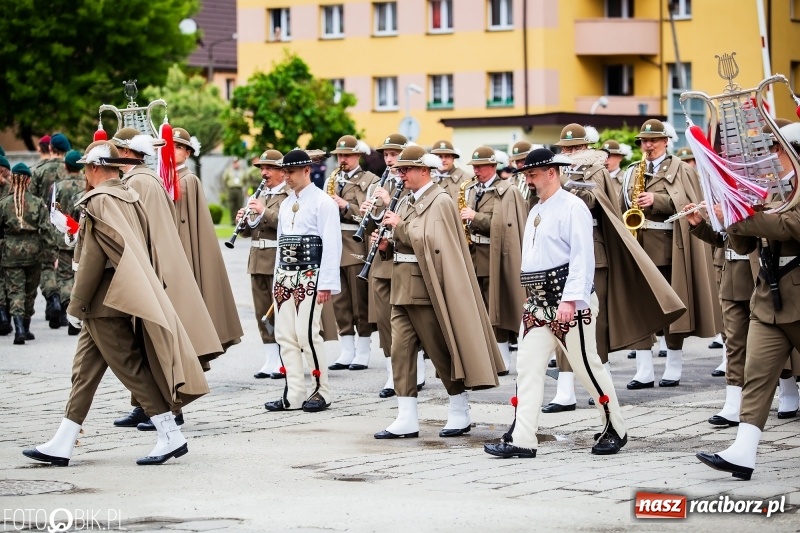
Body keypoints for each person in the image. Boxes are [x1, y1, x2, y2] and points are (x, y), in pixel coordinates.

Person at [22, 141, 207, 467]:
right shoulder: (127, 195)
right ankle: (63, 441)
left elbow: (94, 260)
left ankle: (170, 433)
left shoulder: (99, 200)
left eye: (86, 168)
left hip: (103, 303)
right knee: (84, 373)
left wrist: (76, 305)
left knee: (130, 369)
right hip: (115, 297)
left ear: (95, 168)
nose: (85, 173)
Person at [484, 148, 627, 458]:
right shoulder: (536, 209)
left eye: (533, 174)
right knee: (527, 367)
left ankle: (615, 427)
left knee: (586, 367)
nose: (529, 180)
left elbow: (582, 257)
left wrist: (570, 300)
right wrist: (530, 293)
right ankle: (522, 438)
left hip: (568, 302)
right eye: (526, 175)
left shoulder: (573, 207)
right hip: (537, 304)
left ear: (552, 173)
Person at [374, 145, 504, 439]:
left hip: (426, 288)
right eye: (399, 170)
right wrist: (385, 246)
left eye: (406, 169)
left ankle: (459, 409)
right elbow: (406, 241)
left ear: (424, 170)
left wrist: (399, 227)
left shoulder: (440, 200)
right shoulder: (406, 200)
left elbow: (432, 241)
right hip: (402, 286)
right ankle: (406, 416)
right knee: (400, 352)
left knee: (440, 351)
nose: (401, 174)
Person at [696, 120, 800, 480]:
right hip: (769, 298)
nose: (768, 157)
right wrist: (723, 216)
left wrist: (742, 216)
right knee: (757, 375)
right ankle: (743, 451)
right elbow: (743, 244)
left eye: (774, 150)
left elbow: (790, 227)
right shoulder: (770, 189)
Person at [109, 127, 222, 430]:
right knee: (144, 342)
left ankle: (172, 408)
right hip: (155, 267)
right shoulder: (145, 178)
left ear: (125, 152)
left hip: (153, 269)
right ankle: (145, 405)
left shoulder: (138, 181)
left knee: (159, 343)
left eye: (116, 149)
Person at [621, 119, 720, 389]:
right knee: (641, 309)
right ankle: (644, 369)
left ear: (666, 141)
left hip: (668, 250)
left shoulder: (681, 169)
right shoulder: (632, 171)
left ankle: (673, 365)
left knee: (672, 309)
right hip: (639, 249)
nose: (648, 145)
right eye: (644, 141)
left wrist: (658, 200)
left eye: (653, 140)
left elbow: (692, 205)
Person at [264, 149, 342, 412]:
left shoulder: (323, 202)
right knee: (284, 335)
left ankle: (321, 391)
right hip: (285, 275)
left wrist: (326, 283)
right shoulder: (286, 204)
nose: (286, 176)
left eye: (291, 172)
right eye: (284, 172)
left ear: (307, 170)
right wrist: (277, 281)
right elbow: (281, 244)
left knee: (307, 334)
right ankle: (294, 393)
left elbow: (331, 244)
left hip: (311, 274)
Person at [361, 134, 427, 397]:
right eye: (386, 155)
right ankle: (392, 373)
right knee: (385, 320)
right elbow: (371, 225)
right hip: (380, 260)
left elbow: (415, 220)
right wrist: (367, 213)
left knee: (410, 320)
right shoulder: (378, 185)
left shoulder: (413, 186)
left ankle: (417, 370)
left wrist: (389, 202)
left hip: (404, 259)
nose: (389, 160)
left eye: (394, 155)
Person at [172, 127, 243, 353]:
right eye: (169, 146)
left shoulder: (188, 180)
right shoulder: (162, 177)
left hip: (184, 249)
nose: (173, 150)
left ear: (188, 153)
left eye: (178, 147)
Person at [462, 146, 527, 374]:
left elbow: (505, 226)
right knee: (479, 308)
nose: (476, 171)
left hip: (494, 256)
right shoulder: (473, 190)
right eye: (474, 167)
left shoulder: (507, 190)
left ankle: (502, 358)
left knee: (496, 308)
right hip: (474, 255)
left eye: (480, 167)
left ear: (492, 166)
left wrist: (475, 217)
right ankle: (487, 356)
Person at [326, 136, 379, 371]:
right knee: (339, 300)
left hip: (356, 244)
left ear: (357, 155)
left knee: (359, 300)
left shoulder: (370, 181)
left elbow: (370, 218)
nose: (342, 159)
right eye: (339, 155)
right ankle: (347, 349)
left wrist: (346, 206)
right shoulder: (332, 179)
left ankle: (363, 350)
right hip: (334, 244)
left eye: (346, 155)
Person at [236, 149, 289, 379]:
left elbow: (287, 222)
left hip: (277, 258)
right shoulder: (260, 195)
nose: (264, 173)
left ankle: (284, 358)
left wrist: (263, 211)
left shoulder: (288, 195)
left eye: (269, 168)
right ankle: (270, 356)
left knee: (280, 311)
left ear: (281, 171)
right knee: (261, 312)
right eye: (262, 169)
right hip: (257, 259)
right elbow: (249, 232)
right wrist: (243, 222)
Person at [0, 163, 50, 344]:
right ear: (28, 180)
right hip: (33, 253)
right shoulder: (38, 203)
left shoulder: (3, 203)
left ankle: (19, 329)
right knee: (30, 291)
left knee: (15, 291)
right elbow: (46, 231)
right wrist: (51, 254)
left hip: (10, 253)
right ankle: (26, 328)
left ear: (13, 179)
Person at [32, 132, 71, 324]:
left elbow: (32, 200)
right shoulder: (70, 169)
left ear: (50, 148)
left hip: (46, 225)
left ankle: (52, 297)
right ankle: (63, 309)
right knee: (66, 269)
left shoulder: (39, 170)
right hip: (67, 225)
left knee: (47, 266)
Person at [50, 150, 87, 334]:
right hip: (84, 237)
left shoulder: (58, 187)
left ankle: (66, 308)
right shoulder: (87, 184)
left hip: (65, 236)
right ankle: (78, 313)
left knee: (65, 277)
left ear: (65, 166)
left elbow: (52, 213)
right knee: (81, 274)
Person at [0, 155, 12, 336]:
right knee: (9, 280)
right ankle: (6, 316)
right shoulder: (11, 189)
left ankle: (2, 314)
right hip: (9, 241)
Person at [223, 157, 248, 224]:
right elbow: (225, 179)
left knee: (239, 205)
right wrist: (227, 187)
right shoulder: (228, 170)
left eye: (237, 162)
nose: (235, 164)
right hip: (231, 189)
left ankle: (240, 220)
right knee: (232, 205)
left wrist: (245, 188)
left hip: (239, 189)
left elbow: (245, 180)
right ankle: (232, 220)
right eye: (234, 163)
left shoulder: (242, 171)